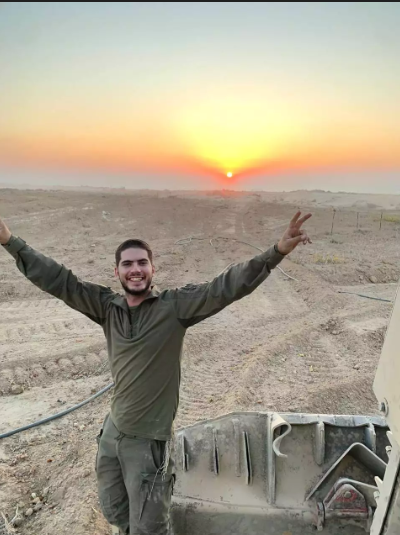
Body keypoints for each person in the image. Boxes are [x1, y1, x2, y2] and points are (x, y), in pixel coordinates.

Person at [0, 211, 312, 535]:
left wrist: (276, 252)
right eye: (127, 264)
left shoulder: (173, 307)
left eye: (142, 263)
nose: (135, 269)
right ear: (117, 271)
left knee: (149, 527)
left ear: (152, 268)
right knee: (115, 512)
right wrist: (10, 240)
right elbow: (59, 280)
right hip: (112, 435)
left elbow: (224, 287)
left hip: (148, 445)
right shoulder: (107, 307)